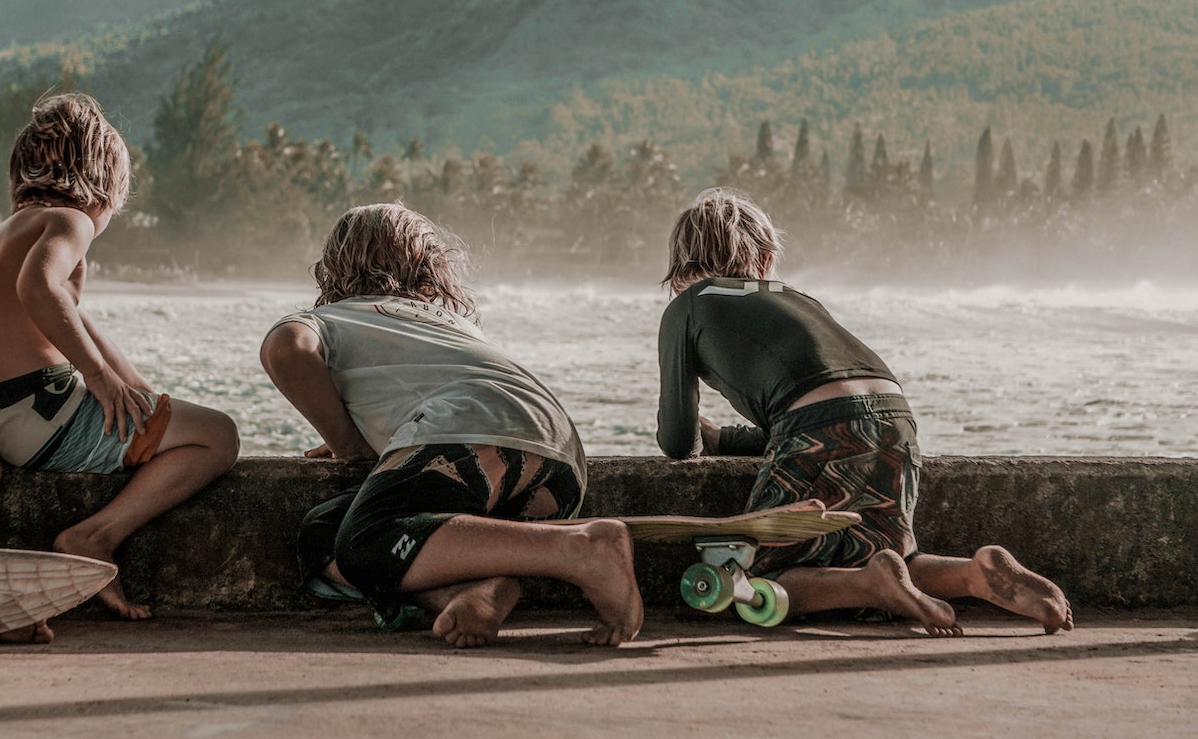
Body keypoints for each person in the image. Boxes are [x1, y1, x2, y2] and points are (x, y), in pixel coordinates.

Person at [656, 187, 1074, 635]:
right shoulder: (796, 298)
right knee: (895, 558)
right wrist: (727, 438)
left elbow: (679, 442)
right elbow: (822, 406)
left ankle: (871, 585)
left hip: (817, 424)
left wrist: (700, 438)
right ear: (766, 253)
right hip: (895, 420)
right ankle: (975, 573)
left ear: (682, 259)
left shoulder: (690, 305)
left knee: (757, 581)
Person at [260, 203, 642, 648]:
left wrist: (345, 442)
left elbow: (286, 349)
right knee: (322, 533)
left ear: (331, 268)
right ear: (430, 270)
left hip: (462, 431)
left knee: (365, 543)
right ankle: (477, 589)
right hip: (558, 459)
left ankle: (583, 550)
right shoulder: (450, 323)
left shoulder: (331, 317)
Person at [0, 92, 240, 619]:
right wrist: (99, 377)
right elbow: (38, 288)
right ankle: (95, 536)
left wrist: (141, 391)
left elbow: (66, 315)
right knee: (219, 434)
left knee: (163, 414)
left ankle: (97, 524)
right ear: (105, 185)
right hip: (40, 418)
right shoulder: (69, 221)